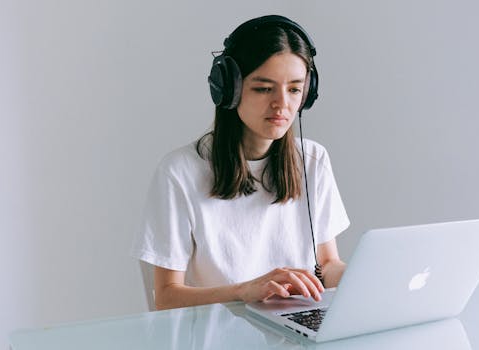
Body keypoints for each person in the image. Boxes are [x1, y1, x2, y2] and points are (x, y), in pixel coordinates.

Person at [131, 15, 350, 310]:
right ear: (229, 89)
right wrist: (245, 290)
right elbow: (167, 296)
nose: (282, 104)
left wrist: (363, 277)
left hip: (293, 335)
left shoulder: (312, 160)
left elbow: (326, 265)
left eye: (295, 89)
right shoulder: (179, 173)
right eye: (264, 88)